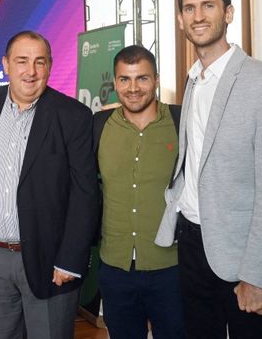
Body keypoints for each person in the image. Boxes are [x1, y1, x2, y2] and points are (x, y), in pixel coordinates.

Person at [155, 0, 262, 339]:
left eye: (208, 6)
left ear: (229, 13)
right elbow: (193, 160)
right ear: (180, 19)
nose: (198, 16)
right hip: (190, 244)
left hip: (239, 255)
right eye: (189, 8)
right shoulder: (193, 81)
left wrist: (256, 273)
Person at [0, 30, 100, 338]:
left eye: (40, 62)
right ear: (6, 64)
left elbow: (85, 193)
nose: (31, 71)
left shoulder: (73, 116)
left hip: (50, 259)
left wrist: (70, 259)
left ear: (49, 67)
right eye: (22, 61)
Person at [93, 45, 184, 338]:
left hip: (171, 266)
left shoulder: (182, 122)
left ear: (156, 79)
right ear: (115, 83)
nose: (133, 88)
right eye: (124, 80)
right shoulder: (98, 125)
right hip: (115, 267)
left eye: (142, 79)